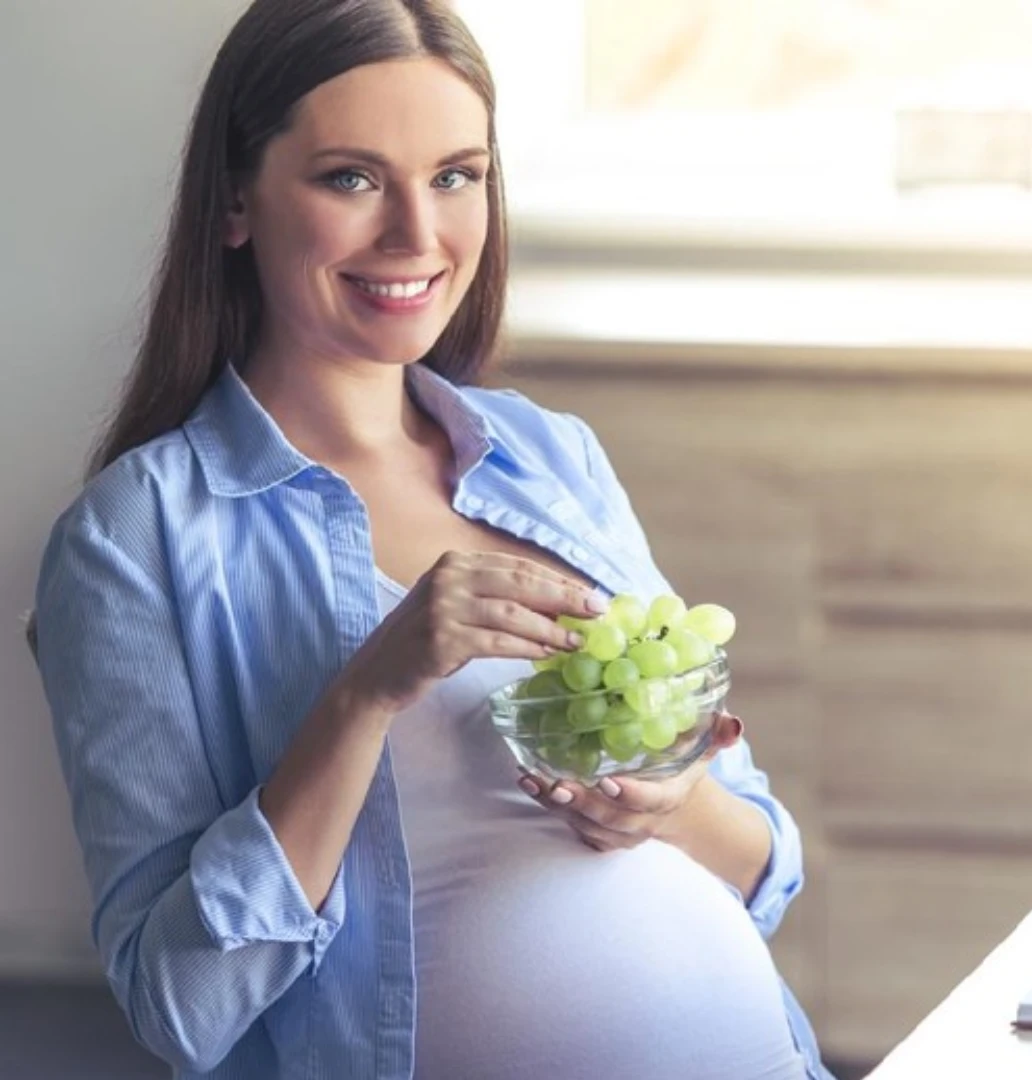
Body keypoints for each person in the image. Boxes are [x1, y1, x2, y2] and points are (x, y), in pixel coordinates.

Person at [29, 2, 831, 1078]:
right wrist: (366, 692)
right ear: (233, 200)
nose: (417, 233)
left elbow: (762, 869)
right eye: (352, 178)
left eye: (456, 175)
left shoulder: (553, 457)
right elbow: (179, 1004)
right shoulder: (135, 538)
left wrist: (669, 804)